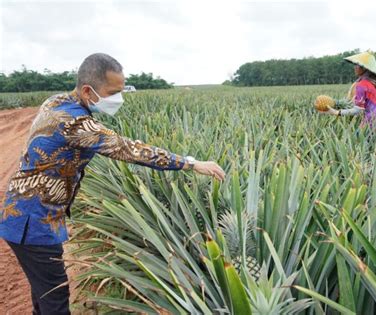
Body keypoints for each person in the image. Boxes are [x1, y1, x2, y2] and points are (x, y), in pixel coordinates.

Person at [0, 53, 225, 314]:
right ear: (87, 90)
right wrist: (190, 163)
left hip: (27, 212)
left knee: (45, 289)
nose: (118, 99)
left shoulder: (56, 102)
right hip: (32, 220)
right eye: (112, 92)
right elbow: (129, 149)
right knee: (55, 296)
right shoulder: (77, 123)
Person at [318, 51, 376, 126]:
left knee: (357, 136)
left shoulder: (362, 85)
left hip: (370, 122)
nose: (355, 67)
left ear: (364, 68)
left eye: (357, 65)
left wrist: (336, 112)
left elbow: (358, 110)